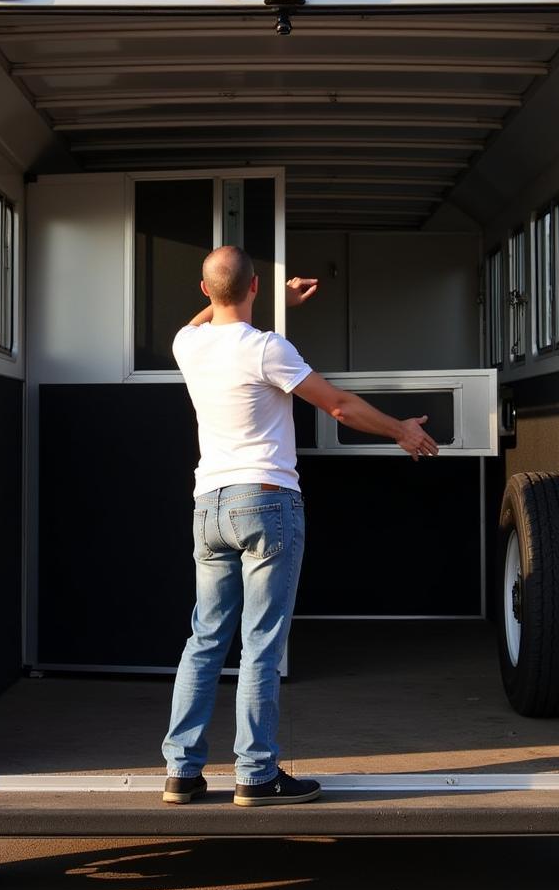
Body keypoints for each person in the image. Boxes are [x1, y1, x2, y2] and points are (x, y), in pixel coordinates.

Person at [162, 245, 439, 806]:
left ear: (204, 290)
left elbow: (201, 319)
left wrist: (231, 300)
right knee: (261, 643)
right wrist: (400, 430)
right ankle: (256, 775)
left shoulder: (187, 346)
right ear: (256, 287)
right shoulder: (267, 347)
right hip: (265, 501)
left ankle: (182, 773)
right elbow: (337, 405)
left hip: (208, 506)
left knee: (205, 639)